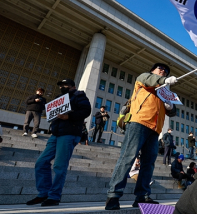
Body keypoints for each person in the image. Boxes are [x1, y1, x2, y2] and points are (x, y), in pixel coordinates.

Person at [105, 63, 177, 210]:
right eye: (160, 69)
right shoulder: (143, 78)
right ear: (152, 71)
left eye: (166, 71)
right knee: (127, 157)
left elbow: (172, 111)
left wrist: (170, 105)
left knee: (148, 163)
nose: (163, 71)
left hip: (155, 129)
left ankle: (142, 196)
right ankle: (113, 195)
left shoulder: (164, 91)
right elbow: (150, 80)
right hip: (139, 122)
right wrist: (163, 81)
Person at [26, 79, 91, 207]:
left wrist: (69, 116)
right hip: (56, 134)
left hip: (69, 133)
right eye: (61, 85)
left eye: (65, 85)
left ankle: (54, 196)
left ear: (73, 86)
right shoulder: (59, 98)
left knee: (59, 166)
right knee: (41, 163)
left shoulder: (79, 96)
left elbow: (86, 111)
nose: (62, 87)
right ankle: (43, 193)